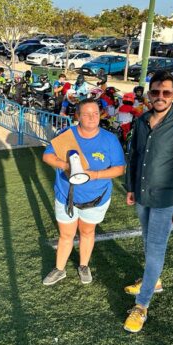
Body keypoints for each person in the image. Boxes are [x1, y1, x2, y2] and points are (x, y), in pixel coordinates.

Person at [123, 70, 173, 333]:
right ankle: (153, 280)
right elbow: (135, 156)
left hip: (167, 199)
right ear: (149, 94)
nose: (160, 96)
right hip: (142, 195)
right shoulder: (142, 120)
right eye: (155, 91)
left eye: (166, 92)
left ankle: (142, 304)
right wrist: (131, 187)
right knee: (148, 241)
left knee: (156, 248)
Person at [42, 99, 125, 285]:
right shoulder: (66, 134)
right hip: (66, 196)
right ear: (77, 116)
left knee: (87, 232)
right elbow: (47, 156)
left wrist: (94, 175)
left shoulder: (110, 139)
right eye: (86, 114)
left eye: (95, 113)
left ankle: (84, 265)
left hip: (96, 198)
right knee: (66, 235)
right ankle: (59, 269)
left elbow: (119, 169)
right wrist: (66, 166)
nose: (92, 118)